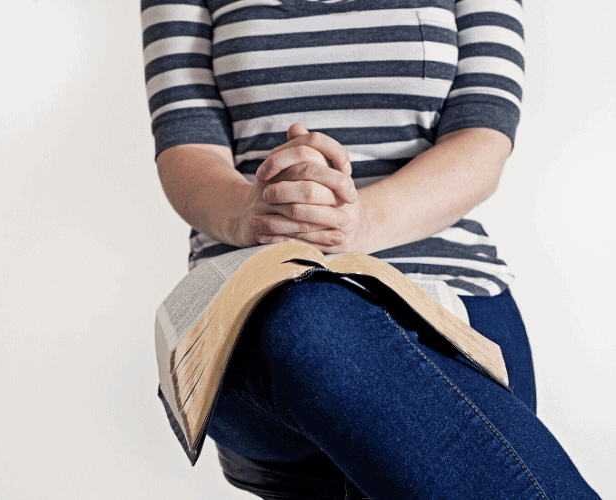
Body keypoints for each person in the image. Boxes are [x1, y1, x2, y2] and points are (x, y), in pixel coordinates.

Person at [141, 0, 602, 498]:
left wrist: (359, 224)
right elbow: (185, 149)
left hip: (450, 294)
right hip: (264, 296)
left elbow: (483, 139)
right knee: (309, 319)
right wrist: (253, 212)